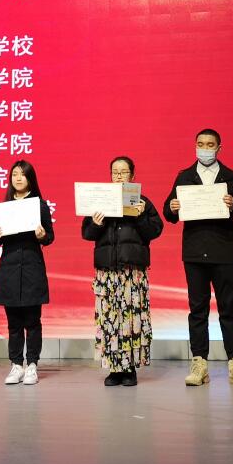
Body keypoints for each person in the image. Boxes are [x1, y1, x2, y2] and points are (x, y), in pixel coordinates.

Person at [163, 128, 233, 387]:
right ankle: (199, 364)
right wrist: (172, 207)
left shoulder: (231, 177)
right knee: (197, 310)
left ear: (219, 148)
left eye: (210, 144)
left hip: (223, 251)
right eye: (201, 144)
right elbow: (168, 213)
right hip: (194, 253)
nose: (205, 148)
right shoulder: (184, 176)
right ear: (195, 146)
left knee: (229, 307)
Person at [81, 155, 163, 386]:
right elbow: (86, 233)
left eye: (123, 172)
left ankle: (129, 369)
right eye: (115, 172)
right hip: (107, 272)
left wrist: (141, 217)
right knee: (110, 320)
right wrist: (97, 223)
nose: (118, 176)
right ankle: (114, 369)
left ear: (132, 175)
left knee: (131, 321)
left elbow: (155, 231)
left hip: (132, 272)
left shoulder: (142, 202)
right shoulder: (100, 200)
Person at [0, 160, 55, 386]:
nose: (18, 178)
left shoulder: (39, 205)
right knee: (13, 322)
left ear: (30, 178)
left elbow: (50, 236)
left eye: (22, 174)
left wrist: (42, 235)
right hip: (9, 268)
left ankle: (32, 365)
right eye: (14, 174)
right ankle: (16, 365)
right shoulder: (4, 206)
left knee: (32, 321)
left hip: (31, 268)